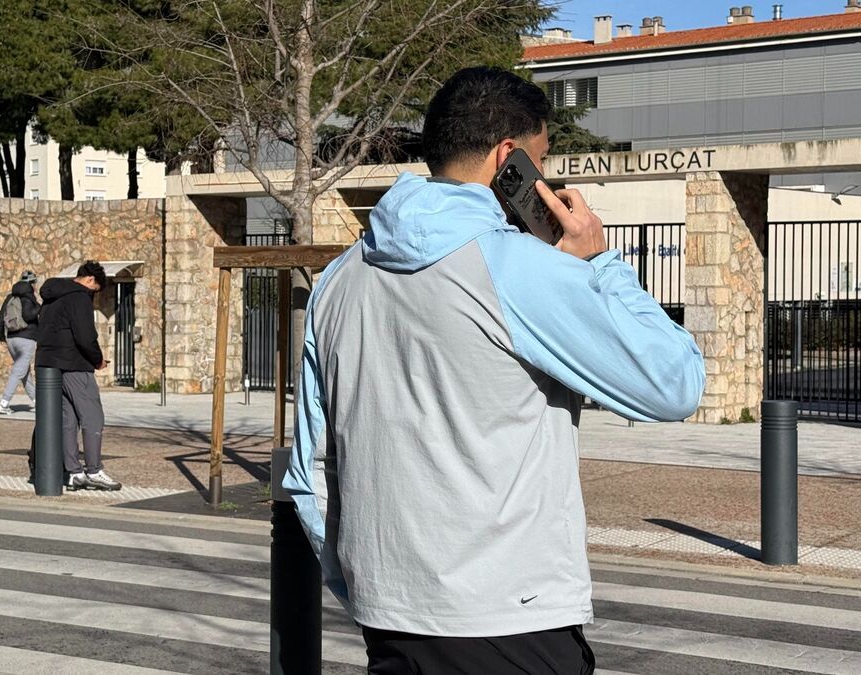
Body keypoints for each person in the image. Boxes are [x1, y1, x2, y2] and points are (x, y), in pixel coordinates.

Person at [283, 66, 705, 673]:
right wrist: (600, 264)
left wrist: (366, 589)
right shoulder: (519, 269)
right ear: (510, 158)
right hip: (510, 619)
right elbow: (675, 383)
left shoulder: (340, 278)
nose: (544, 181)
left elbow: (310, 470)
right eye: (541, 160)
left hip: (391, 620)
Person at [29, 261, 121, 491]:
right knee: (93, 417)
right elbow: (85, 336)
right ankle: (94, 470)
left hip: (48, 365)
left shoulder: (51, 295)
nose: (93, 296)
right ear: (90, 279)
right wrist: (97, 360)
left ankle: (74, 472)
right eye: (95, 291)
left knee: (67, 420)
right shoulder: (79, 297)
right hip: (74, 364)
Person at [0, 270, 40, 414]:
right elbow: (28, 315)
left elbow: (0, 317)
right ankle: (4, 403)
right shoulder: (29, 297)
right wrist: (39, 308)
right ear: (32, 284)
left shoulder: (10, 297)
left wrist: (1, 336)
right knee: (18, 372)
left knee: (24, 373)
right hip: (26, 339)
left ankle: (38, 402)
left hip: (11, 340)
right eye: (35, 283)